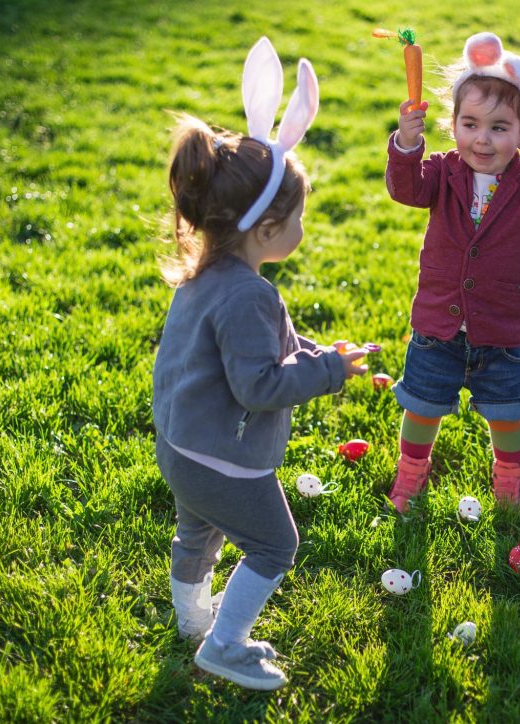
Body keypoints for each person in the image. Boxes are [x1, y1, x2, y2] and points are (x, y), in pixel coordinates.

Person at [153, 38, 366, 690]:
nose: (304, 227)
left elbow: (258, 355)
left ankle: (193, 620)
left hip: (182, 445)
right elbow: (259, 385)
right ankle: (224, 645)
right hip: (224, 456)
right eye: (299, 216)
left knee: (200, 533)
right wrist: (328, 374)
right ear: (267, 228)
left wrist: (320, 354)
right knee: (276, 545)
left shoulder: (208, 272)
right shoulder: (250, 294)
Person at [384, 32, 520, 513]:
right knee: (420, 409)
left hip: (502, 333)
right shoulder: (442, 171)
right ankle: (410, 478)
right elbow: (404, 189)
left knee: (508, 417)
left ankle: (509, 482)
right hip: (437, 329)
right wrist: (407, 143)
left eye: (499, 127)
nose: (482, 139)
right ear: (453, 124)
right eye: (470, 124)